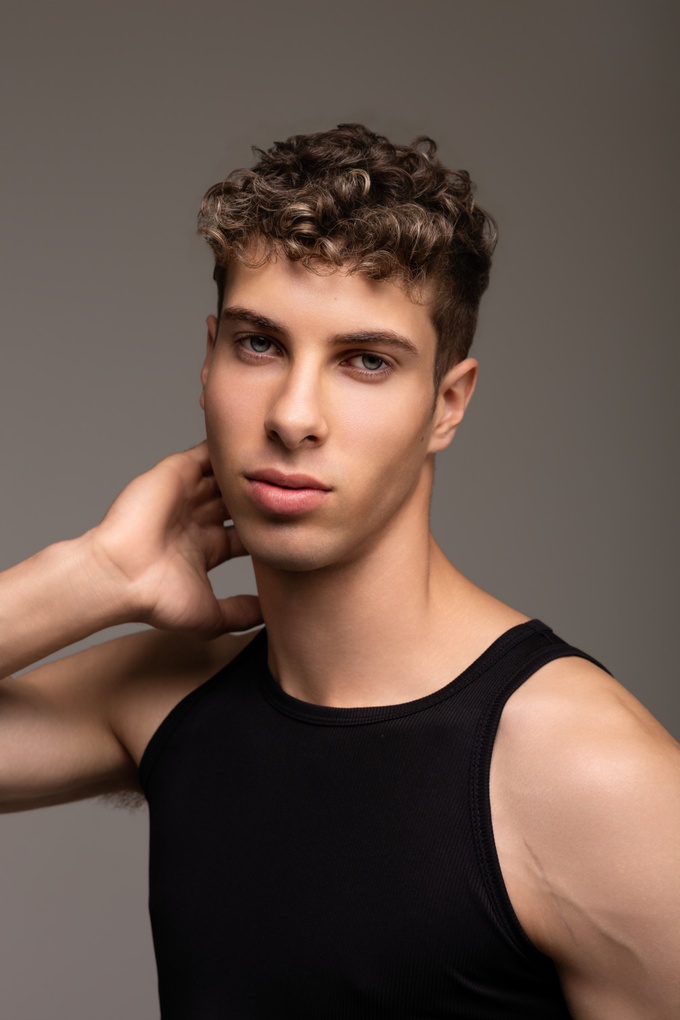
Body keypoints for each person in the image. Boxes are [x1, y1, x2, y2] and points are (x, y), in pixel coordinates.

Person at [0, 124, 677, 1019]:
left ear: (447, 404)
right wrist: (96, 572)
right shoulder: (170, 698)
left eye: (366, 361)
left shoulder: (595, 775)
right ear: (208, 357)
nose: (294, 415)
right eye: (260, 345)